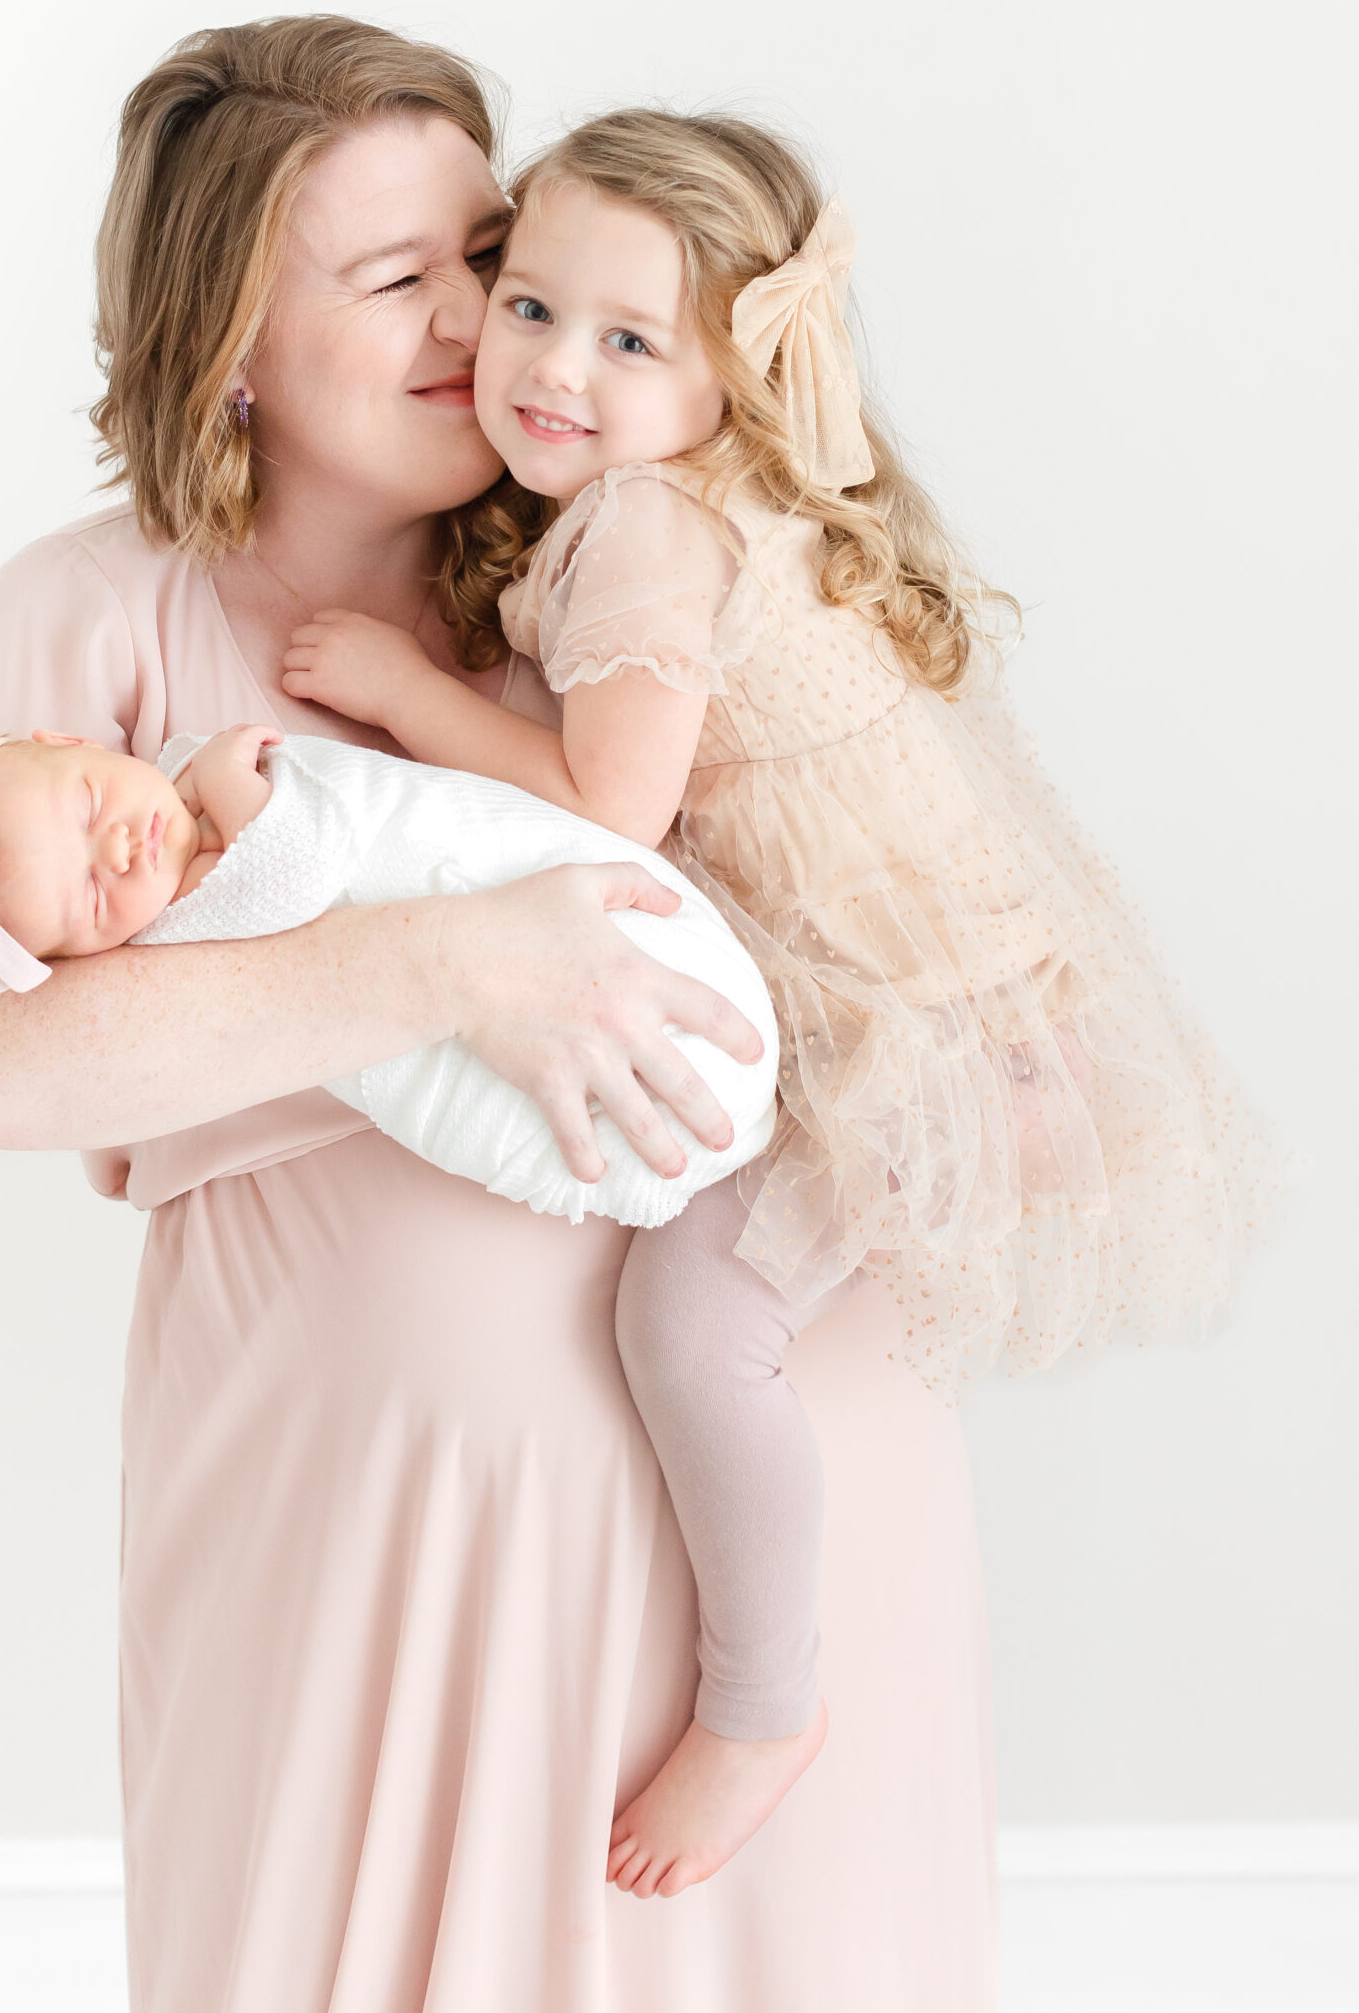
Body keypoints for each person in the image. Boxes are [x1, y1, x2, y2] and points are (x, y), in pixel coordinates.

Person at [0, 15, 999, 2012]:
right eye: (391, 277)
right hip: (372, 1547)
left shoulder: (626, 576)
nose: (481, 318)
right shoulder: (93, 614)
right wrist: (441, 966)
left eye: (482, 253)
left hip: (772, 1490)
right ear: (224, 333)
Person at [285, 105, 1290, 1904]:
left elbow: (607, 813)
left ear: (730, 380)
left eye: (627, 341)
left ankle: (763, 1701)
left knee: (692, 1330)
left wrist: (388, 682)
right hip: (976, 1003)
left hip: (931, 1047)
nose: (549, 371)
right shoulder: (705, 499)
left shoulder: (646, 538)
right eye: (528, 308)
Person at [0, 719, 780, 1220]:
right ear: (78, 959)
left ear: (67, 738)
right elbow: (296, 873)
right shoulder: (184, 916)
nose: (116, 849)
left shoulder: (162, 792)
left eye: (86, 808)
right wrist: (231, 785)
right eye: (85, 897)